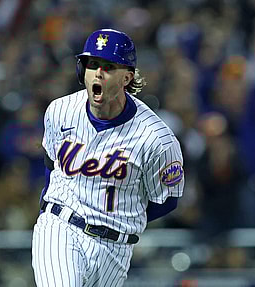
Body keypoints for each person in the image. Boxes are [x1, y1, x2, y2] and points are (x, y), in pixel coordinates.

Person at [31, 28, 185, 287]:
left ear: (127, 77)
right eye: (92, 64)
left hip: (115, 249)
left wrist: (123, 215)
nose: (98, 73)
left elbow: (167, 201)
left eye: (108, 66)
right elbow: (51, 164)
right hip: (61, 227)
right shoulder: (60, 111)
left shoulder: (156, 138)